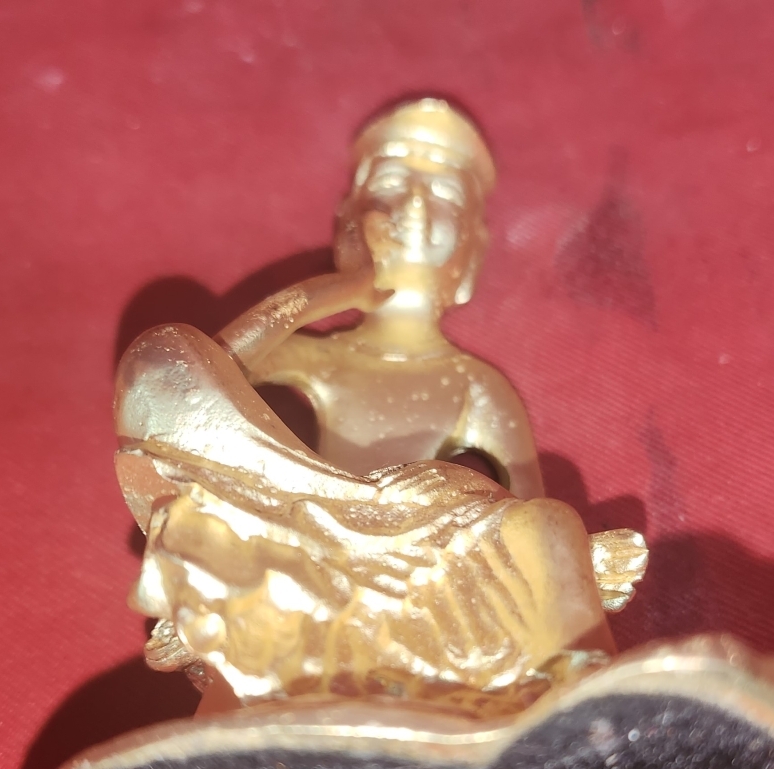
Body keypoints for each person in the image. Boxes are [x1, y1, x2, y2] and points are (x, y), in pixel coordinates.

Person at [216, 98, 545, 499]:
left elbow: (530, 515)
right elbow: (203, 373)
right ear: (347, 223)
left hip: (420, 536)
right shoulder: (311, 357)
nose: (415, 203)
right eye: (390, 184)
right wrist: (342, 287)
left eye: (445, 194)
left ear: (473, 251)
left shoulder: (476, 387)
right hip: (298, 525)